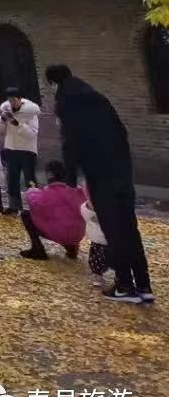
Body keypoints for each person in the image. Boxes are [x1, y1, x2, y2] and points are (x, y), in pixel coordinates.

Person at [45, 64, 153, 305]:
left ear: (52, 83)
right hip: (121, 171)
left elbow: (70, 142)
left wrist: (70, 177)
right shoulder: (97, 98)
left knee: (113, 231)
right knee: (129, 228)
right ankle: (144, 285)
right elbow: (120, 132)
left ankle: (125, 285)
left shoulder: (66, 103)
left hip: (100, 174)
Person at [18, 160, 84, 260]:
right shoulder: (77, 191)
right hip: (77, 235)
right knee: (68, 221)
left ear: (50, 174)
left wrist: (32, 189)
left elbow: (34, 202)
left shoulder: (49, 192)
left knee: (26, 215)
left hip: (59, 233)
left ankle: (38, 249)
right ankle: (71, 249)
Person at [0, 87, 39, 213]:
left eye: (14, 100)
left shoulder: (30, 113)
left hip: (27, 151)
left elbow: (32, 134)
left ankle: (36, 207)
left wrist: (17, 124)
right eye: (9, 100)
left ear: (20, 99)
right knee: (12, 179)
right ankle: (14, 206)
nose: (12, 103)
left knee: (29, 179)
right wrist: (2, 120)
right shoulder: (7, 110)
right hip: (11, 149)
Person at [81, 190, 110, 287]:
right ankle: (98, 276)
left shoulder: (86, 208)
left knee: (96, 259)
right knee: (97, 259)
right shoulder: (88, 210)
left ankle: (98, 276)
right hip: (101, 240)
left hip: (98, 240)